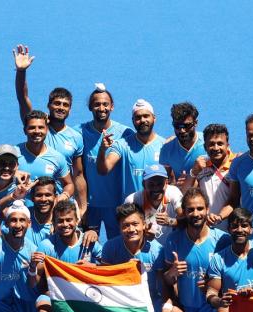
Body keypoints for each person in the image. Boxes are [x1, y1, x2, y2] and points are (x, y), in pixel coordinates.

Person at [150, 188, 230, 312]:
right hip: (191, 310)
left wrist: (213, 288)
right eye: (191, 210)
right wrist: (172, 274)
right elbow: (166, 281)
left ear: (208, 209)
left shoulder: (223, 240)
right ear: (184, 212)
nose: (196, 214)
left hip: (214, 309)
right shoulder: (174, 241)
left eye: (200, 208)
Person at [13, 45, 88, 217]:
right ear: (48, 105)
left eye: (65, 105)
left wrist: (82, 208)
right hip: (26, 205)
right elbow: (22, 98)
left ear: (70, 109)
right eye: (57, 103)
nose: (60, 107)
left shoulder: (75, 137)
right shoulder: (37, 124)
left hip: (57, 207)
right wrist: (21, 72)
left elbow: (78, 175)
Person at [34, 200, 102, 312]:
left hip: (81, 300)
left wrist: (93, 267)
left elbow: (108, 266)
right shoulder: (46, 245)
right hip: (55, 297)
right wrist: (48, 292)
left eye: (69, 220)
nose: (65, 224)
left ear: (77, 220)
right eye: (60, 220)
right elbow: (38, 281)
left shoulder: (89, 241)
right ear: (54, 223)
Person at [100, 203, 165, 312]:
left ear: (144, 224)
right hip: (124, 303)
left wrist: (166, 309)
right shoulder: (110, 247)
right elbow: (104, 281)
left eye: (135, 224)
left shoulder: (157, 250)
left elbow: (164, 285)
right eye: (125, 225)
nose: (131, 229)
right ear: (119, 227)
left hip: (151, 301)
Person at [78, 83, 134, 238]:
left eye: (105, 104)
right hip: (89, 206)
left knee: (117, 249)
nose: (101, 108)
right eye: (97, 104)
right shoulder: (78, 132)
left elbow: (144, 143)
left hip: (117, 205)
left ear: (112, 107)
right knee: (87, 247)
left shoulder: (126, 133)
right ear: (90, 107)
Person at [97, 99, 165, 202]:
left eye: (146, 116)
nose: (142, 120)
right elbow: (103, 170)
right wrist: (102, 150)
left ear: (154, 118)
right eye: (138, 117)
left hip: (156, 210)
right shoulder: (122, 145)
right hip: (131, 212)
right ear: (133, 120)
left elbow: (171, 179)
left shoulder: (164, 146)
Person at [184, 124, 238, 231]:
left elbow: (234, 200)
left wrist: (219, 217)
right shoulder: (200, 166)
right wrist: (194, 172)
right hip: (207, 231)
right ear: (205, 147)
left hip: (233, 230)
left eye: (220, 144)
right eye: (211, 144)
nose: (216, 148)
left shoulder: (236, 164)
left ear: (228, 145)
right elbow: (186, 194)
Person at [17, 110, 74, 203]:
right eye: (32, 128)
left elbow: (69, 184)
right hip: (20, 214)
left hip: (47, 213)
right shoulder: (14, 153)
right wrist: (14, 172)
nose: (36, 131)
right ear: (25, 130)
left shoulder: (57, 158)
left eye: (41, 127)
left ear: (47, 130)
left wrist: (63, 196)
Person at [124, 164, 183, 243]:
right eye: (151, 184)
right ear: (144, 184)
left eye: (160, 184)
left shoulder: (173, 192)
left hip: (168, 246)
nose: (156, 188)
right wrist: (142, 232)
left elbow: (186, 220)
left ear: (166, 183)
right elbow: (124, 227)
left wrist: (170, 221)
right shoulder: (132, 200)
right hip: (141, 247)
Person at [159, 102, 206, 187]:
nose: (182, 130)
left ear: (195, 123)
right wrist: (176, 186)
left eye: (187, 125)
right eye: (177, 126)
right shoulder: (166, 149)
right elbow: (164, 183)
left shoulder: (209, 142)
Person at [0, 144, 34, 216]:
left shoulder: (23, 184)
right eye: (2, 163)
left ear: (17, 166)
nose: (7, 168)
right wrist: (12, 197)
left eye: (11, 164)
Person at [25, 176, 56, 247]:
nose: (43, 199)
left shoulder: (61, 221)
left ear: (55, 197)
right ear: (32, 198)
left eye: (48, 195)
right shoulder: (24, 215)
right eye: (39, 195)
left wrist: (87, 233)